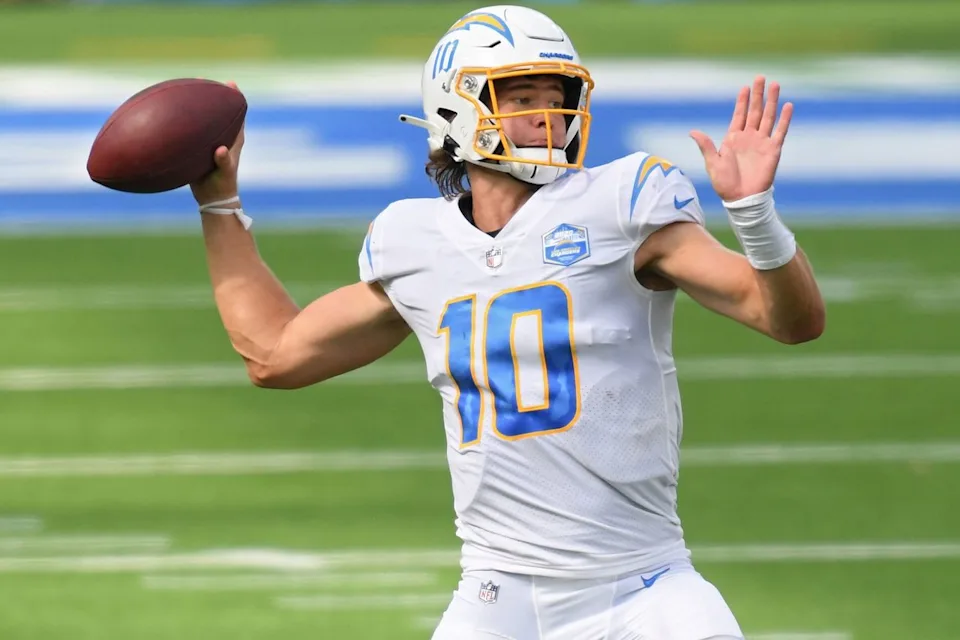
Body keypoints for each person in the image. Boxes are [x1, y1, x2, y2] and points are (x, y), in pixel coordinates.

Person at [188, 5, 825, 639]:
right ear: (454, 108)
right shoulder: (413, 242)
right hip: (496, 599)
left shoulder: (622, 204)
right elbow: (273, 356)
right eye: (520, 96)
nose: (548, 114)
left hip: (644, 589)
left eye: (558, 93)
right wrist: (219, 202)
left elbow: (789, 320)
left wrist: (755, 215)